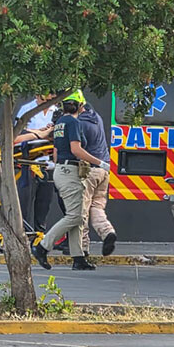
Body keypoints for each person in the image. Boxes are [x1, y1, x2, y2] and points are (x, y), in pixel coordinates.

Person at [31, 90, 110, 270]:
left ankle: (78, 258)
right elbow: (76, 149)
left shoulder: (60, 123)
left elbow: (57, 152)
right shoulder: (74, 122)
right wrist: (100, 163)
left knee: (77, 215)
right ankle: (42, 247)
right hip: (70, 170)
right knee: (75, 216)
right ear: (80, 105)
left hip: (61, 170)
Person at [78, 102, 117, 256]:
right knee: (96, 206)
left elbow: (76, 147)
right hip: (104, 170)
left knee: (82, 210)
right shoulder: (96, 118)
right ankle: (107, 232)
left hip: (89, 170)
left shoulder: (79, 123)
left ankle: (83, 248)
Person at [15, 95, 57, 233]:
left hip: (48, 163)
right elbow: (18, 134)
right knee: (25, 202)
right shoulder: (27, 110)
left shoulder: (56, 111)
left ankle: (39, 234)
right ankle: (23, 233)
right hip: (29, 163)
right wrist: (41, 133)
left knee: (44, 203)